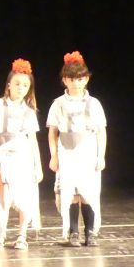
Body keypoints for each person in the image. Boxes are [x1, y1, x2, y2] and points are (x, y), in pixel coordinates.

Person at [47, 51, 106, 247]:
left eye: (80, 79)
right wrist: (54, 156)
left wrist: (101, 156)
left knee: (88, 192)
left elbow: (101, 132)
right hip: (67, 152)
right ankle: (73, 231)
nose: (76, 83)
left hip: (87, 152)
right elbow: (52, 132)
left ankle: (90, 232)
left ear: (86, 79)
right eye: (71, 79)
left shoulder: (94, 103)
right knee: (70, 192)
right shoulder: (58, 104)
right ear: (65, 80)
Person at [0, 58, 43, 250]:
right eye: (17, 83)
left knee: (24, 196)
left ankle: (21, 235)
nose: (21, 88)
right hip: (3, 154)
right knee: (4, 197)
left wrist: (38, 166)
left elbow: (32, 140)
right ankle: (0, 234)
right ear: (9, 84)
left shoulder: (29, 110)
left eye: (25, 85)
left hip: (22, 156)